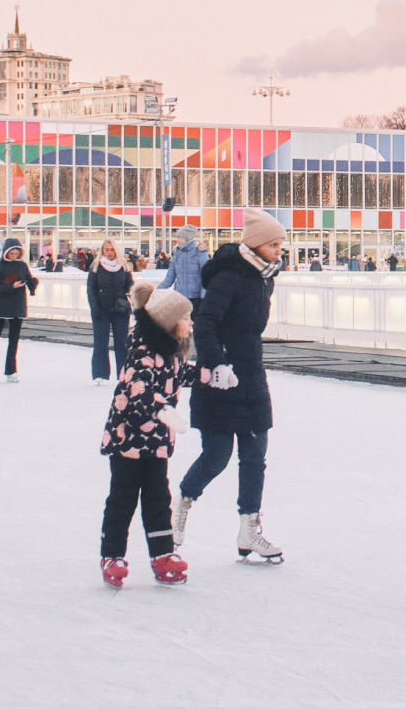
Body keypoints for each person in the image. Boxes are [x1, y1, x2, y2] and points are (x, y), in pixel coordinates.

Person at [176, 212, 286, 565]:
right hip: (221, 379)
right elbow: (204, 324)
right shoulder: (228, 276)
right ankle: (181, 503)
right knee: (217, 456)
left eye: (280, 243)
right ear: (254, 244)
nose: (278, 250)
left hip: (251, 374)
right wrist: (217, 363)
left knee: (255, 456)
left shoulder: (263, 278)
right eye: (273, 244)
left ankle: (248, 529)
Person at [103, 284, 195, 588]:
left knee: (158, 499)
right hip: (127, 442)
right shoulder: (141, 354)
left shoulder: (172, 354)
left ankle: (163, 555)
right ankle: (112, 555)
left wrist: (213, 375)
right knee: (123, 500)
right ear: (169, 323)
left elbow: (183, 375)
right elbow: (141, 391)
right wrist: (164, 412)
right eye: (186, 318)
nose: (190, 324)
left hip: (155, 444)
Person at [0, 241, 37, 381]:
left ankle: (11, 370)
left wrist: (33, 284)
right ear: (6, 252)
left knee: (14, 339)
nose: (14, 256)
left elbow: (28, 279)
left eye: (17, 254)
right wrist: (12, 286)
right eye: (12, 253)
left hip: (17, 306)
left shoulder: (22, 265)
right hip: (1, 306)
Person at [86, 238, 136, 383]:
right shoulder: (96, 268)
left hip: (120, 310)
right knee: (101, 342)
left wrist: (135, 302)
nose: (109, 253)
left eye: (112, 249)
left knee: (122, 342)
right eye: (106, 250)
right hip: (101, 309)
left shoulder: (124, 267)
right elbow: (91, 290)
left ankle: (124, 373)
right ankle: (100, 374)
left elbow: (130, 287)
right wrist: (95, 308)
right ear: (102, 251)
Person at [160, 232, 207, 306]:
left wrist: (204, 297)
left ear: (186, 238)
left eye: (179, 237)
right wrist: (156, 291)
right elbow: (170, 277)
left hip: (196, 298)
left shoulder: (200, 252)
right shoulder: (177, 253)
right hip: (179, 297)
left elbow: (206, 275)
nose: (176, 240)